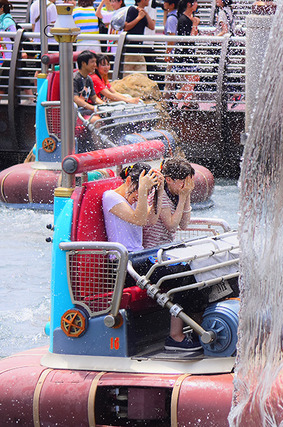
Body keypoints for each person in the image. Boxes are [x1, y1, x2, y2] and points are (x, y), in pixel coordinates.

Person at [142, 157, 198, 351]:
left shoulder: (176, 195)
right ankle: (175, 336)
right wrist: (183, 197)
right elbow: (172, 224)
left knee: (197, 272)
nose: (186, 186)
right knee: (182, 278)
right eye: (183, 182)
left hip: (165, 253)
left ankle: (196, 326)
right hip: (149, 256)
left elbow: (183, 224)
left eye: (189, 182)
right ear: (169, 179)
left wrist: (186, 195)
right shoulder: (160, 195)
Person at [103, 163, 160, 253]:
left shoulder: (137, 197)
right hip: (122, 257)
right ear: (128, 181)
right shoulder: (110, 197)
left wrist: (160, 190)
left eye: (146, 192)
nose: (139, 197)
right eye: (140, 190)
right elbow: (139, 220)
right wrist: (142, 191)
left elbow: (151, 220)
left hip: (137, 253)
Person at [173, 0, 200, 109]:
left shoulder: (190, 18)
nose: (197, 5)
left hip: (190, 53)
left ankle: (184, 103)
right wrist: (194, 25)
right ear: (189, 4)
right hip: (185, 54)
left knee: (193, 79)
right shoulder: (183, 20)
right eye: (195, 2)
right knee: (194, 78)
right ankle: (178, 98)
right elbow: (189, 39)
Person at [123, 0, 155, 74]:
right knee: (127, 77)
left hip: (139, 50)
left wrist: (145, 13)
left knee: (143, 77)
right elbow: (126, 27)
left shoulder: (142, 12)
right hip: (129, 51)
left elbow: (152, 27)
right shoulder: (132, 10)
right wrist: (138, 18)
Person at [73, 50, 105, 121]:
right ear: (84, 63)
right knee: (96, 120)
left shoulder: (88, 78)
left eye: (95, 62)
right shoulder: (75, 78)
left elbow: (94, 98)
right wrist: (93, 108)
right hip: (75, 113)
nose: (95, 65)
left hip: (85, 110)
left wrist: (104, 105)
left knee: (107, 116)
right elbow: (76, 99)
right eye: (92, 62)